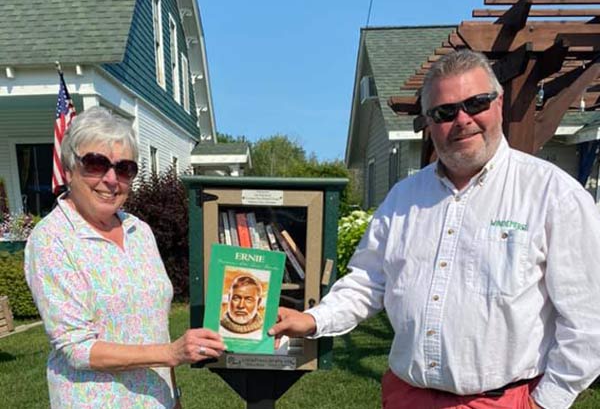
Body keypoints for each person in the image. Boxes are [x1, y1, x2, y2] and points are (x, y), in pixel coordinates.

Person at [269, 49, 600, 409]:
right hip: (407, 396)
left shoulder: (553, 195)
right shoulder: (404, 198)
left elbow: (588, 319)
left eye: (475, 103)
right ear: (429, 121)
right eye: (445, 112)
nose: (462, 119)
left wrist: (547, 401)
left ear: (499, 103)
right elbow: (367, 281)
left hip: (506, 400)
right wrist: (312, 319)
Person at [24, 106, 226, 408]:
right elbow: (78, 349)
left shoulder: (139, 230)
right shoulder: (52, 240)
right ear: (69, 169)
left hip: (158, 400)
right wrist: (171, 353)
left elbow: (156, 325)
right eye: (95, 164)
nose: (110, 179)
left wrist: (175, 394)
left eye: (124, 168)